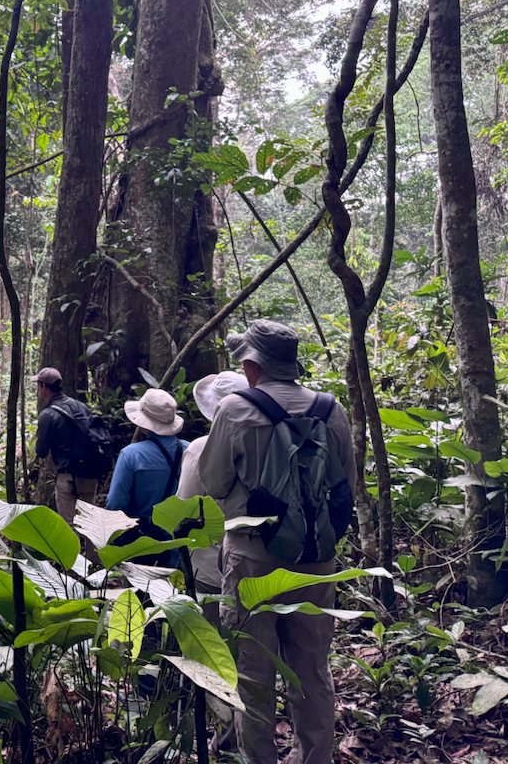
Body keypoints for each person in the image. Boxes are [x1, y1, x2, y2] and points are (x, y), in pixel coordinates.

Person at [198, 320, 357, 764]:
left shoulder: (235, 409)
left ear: (253, 365)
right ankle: (315, 758)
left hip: (253, 557)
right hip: (316, 557)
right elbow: (347, 482)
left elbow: (214, 482)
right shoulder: (331, 409)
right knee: (312, 668)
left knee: (253, 671)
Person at [178, 371, 250, 607]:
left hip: (209, 567)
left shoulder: (200, 448)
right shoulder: (266, 444)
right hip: (256, 563)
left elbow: (184, 507)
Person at [104, 388, 188, 522]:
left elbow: (115, 503)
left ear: (144, 423)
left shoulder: (131, 455)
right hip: (183, 531)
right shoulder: (190, 450)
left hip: (141, 532)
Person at [32, 367, 98, 523]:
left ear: (43, 386)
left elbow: (41, 451)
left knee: (69, 526)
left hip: (68, 478)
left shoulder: (48, 415)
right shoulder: (80, 406)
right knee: (90, 526)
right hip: (90, 474)